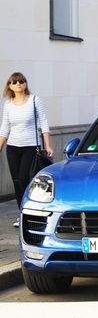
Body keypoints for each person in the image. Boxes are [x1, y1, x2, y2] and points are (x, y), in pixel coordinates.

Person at [0, 73, 55, 227]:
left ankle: (33, 211)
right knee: (17, 181)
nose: (18, 83)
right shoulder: (8, 105)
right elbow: (5, 127)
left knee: (25, 179)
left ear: (25, 84)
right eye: (15, 81)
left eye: (21, 81)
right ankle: (22, 214)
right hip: (13, 148)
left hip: (31, 147)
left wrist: (48, 145)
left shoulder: (34, 101)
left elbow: (44, 123)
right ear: (9, 86)